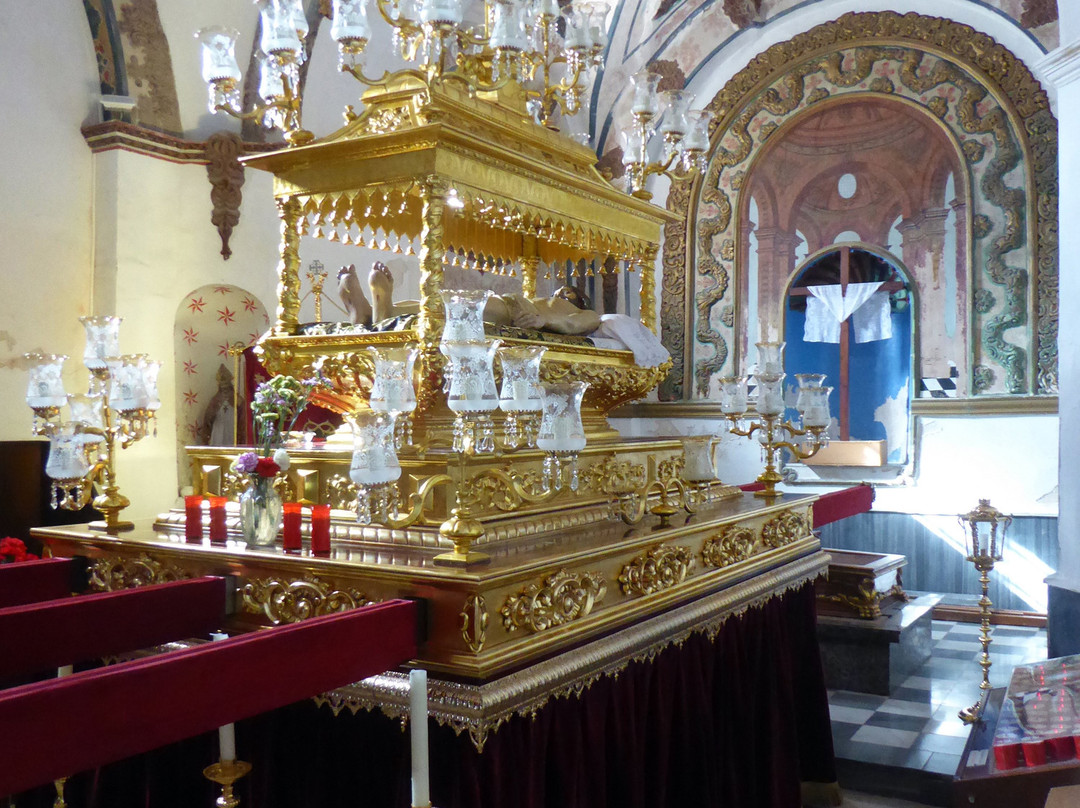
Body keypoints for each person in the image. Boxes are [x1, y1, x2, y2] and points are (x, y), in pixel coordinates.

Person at [336, 261, 601, 336]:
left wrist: (542, 321)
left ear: (581, 301)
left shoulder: (589, 315)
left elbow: (572, 326)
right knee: (439, 303)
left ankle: (380, 312)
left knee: (446, 304)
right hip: (508, 304)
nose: (559, 292)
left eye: (567, 292)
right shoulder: (552, 301)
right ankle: (373, 310)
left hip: (511, 311)